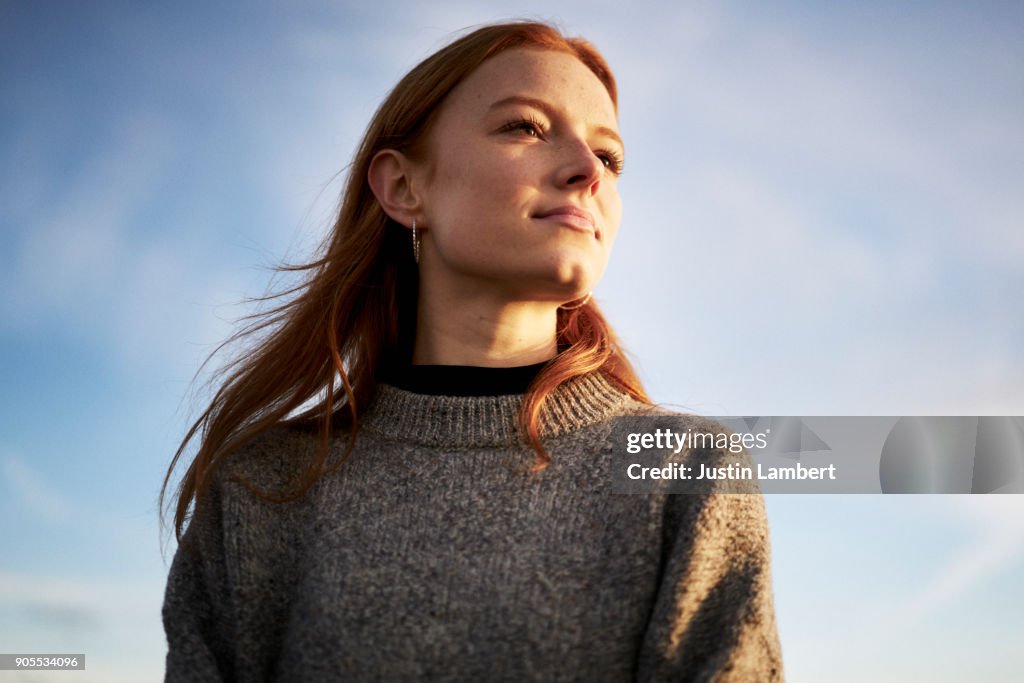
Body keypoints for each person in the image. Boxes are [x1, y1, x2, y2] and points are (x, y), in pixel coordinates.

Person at [160, 20, 784, 682]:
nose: (587, 173)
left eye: (610, 158)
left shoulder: (686, 474)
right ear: (403, 188)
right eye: (526, 127)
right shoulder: (260, 488)